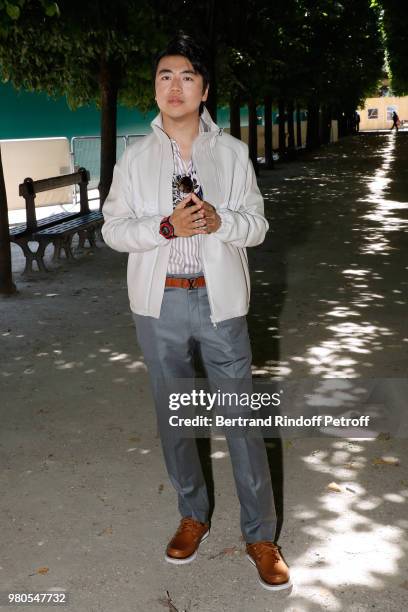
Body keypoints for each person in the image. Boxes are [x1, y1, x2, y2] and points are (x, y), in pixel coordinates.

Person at [102, 33, 291, 592]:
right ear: (155, 90)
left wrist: (219, 221)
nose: (174, 86)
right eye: (164, 76)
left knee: (241, 420)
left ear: (204, 90)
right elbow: (113, 230)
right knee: (175, 418)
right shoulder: (134, 159)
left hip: (219, 301)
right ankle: (192, 514)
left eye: (185, 76)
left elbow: (256, 225)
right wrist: (164, 227)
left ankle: (260, 535)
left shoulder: (231, 154)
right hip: (159, 304)